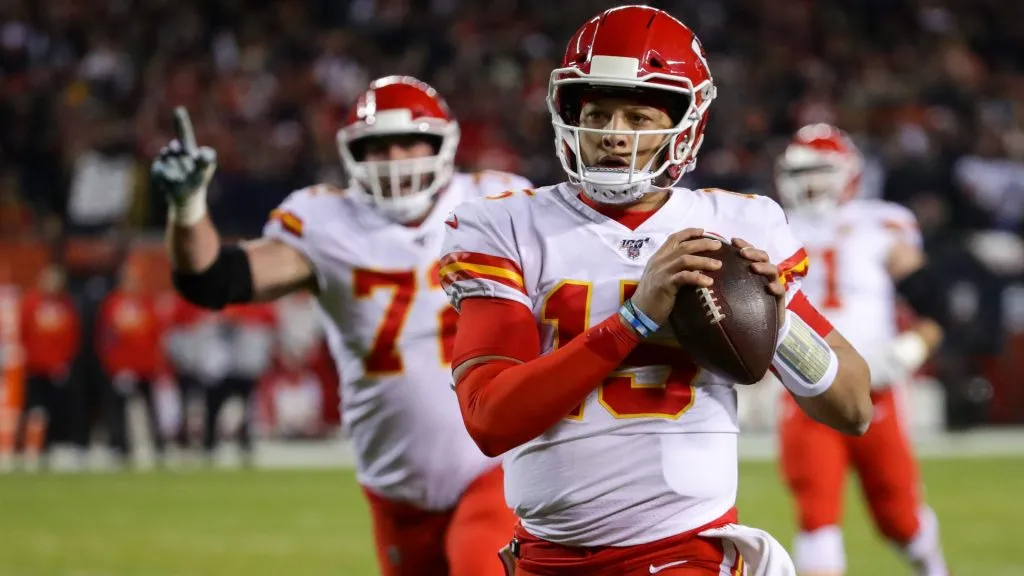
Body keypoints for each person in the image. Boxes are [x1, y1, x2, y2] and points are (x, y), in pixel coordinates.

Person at [438, 6, 873, 575]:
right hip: (546, 560)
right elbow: (490, 419)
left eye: (638, 117)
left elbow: (854, 407)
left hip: (687, 553)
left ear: (684, 124)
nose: (613, 137)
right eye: (597, 114)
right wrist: (634, 320)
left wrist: (778, 322)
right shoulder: (507, 226)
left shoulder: (739, 225)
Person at [151, 75, 528, 576]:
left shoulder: (498, 205)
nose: (394, 159)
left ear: (444, 145)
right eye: (378, 146)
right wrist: (187, 208)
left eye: (409, 142)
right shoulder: (328, 221)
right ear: (353, 153)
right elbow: (213, 280)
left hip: (494, 469)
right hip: (395, 489)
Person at [774, 124, 949, 576]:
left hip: (877, 385)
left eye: (820, 170)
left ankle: (933, 565)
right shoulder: (773, 224)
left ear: (848, 172)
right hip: (807, 386)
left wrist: (911, 348)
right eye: (802, 171)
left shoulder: (879, 221)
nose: (810, 182)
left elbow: (934, 303)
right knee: (816, 514)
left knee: (898, 519)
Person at [96, 261, 167, 467]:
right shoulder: (112, 304)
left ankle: (157, 447)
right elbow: (107, 340)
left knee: (151, 409)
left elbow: (155, 336)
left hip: (145, 367)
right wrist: (116, 367)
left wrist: (155, 363)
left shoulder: (147, 302)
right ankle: (119, 447)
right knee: (117, 409)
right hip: (122, 369)